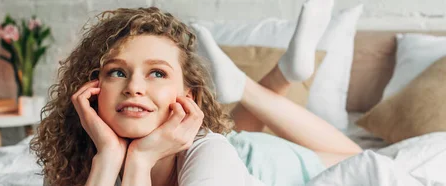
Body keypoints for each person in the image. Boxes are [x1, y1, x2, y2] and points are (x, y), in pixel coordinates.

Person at [30, 0, 362, 185]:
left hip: (260, 159)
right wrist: (108, 159)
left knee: (355, 158)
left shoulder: (211, 157)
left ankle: (255, 83)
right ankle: (278, 76)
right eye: (117, 72)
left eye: (157, 73)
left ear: (188, 95)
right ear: (91, 89)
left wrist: (142, 159)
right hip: (225, 139)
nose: (133, 87)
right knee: (231, 131)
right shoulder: (77, 160)